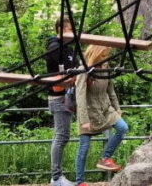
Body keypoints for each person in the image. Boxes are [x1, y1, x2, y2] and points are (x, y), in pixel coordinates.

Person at [74, 44, 128, 183]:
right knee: (84, 148)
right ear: (96, 55)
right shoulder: (84, 70)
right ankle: (80, 182)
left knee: (123, 128)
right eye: (103, 56)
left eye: (106, 56)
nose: (106, 58)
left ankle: (105, 158)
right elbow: (80, 96)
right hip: (89, 112)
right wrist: (84, 119)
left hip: (105, 109)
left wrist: (117, 108)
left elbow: (110, 90)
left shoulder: (106, 68)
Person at [46, 16, 79, 186]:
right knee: (61, 136)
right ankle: (56, 177)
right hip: (58, 96)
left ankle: (58, 176)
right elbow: (64, 71)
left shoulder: (68, 48)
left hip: (68, 95)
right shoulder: (55, 47)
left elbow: (74, 69)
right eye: (68, 30)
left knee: (64, 136)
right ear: (59, 30)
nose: (70, 33)